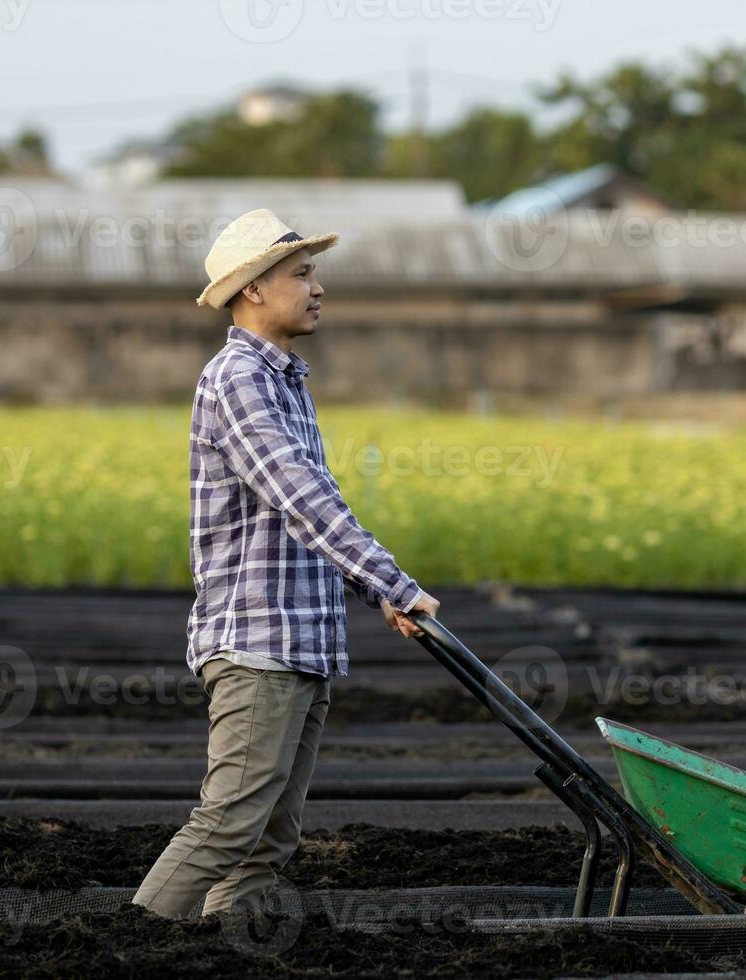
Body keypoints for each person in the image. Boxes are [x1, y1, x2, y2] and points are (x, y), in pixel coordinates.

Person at [133, 208, 440, 918]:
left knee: (270, 839)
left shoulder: (286, 380)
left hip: (302, 643)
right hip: (257, 645)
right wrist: (390, 580)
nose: (318, 287)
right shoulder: (238, 378)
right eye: (301, 274)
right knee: (228, 826)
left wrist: (380, 596)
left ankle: (225, 944)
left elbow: (318, 502)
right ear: (253, 291)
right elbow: (299, 496)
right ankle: (123, 944)